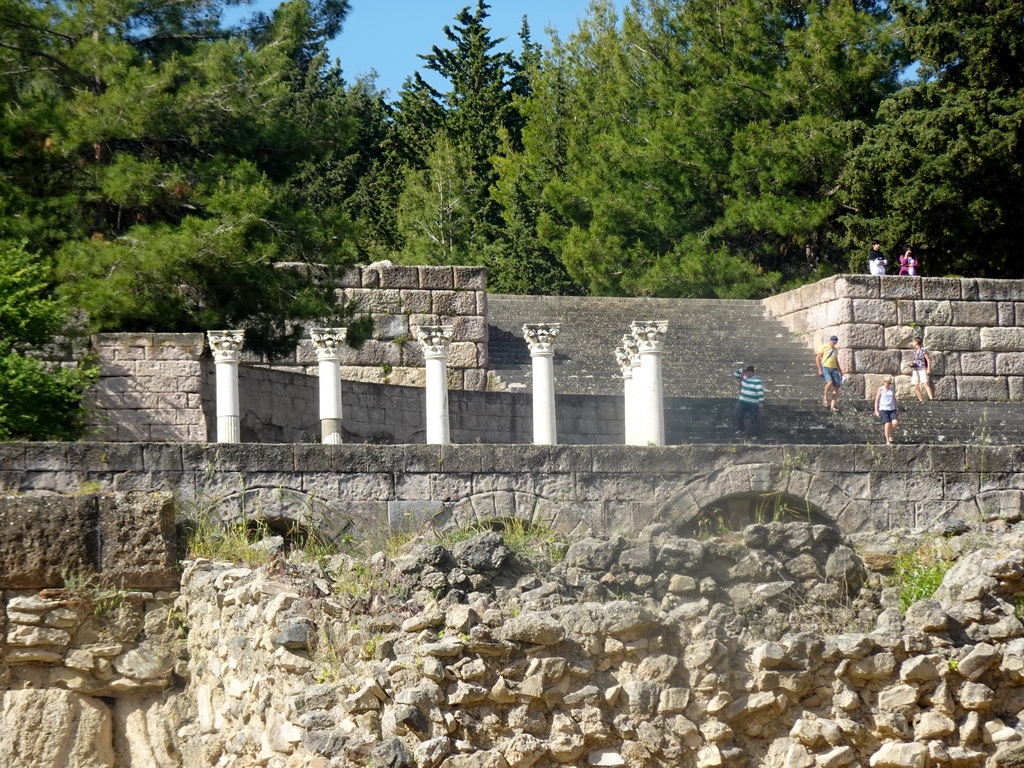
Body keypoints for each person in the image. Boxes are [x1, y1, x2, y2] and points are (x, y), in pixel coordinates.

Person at [732, 365, 765, 438]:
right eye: (747, 373)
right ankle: (741, 429)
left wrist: (760, 402)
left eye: (750, 373)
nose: (748, 375)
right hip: (743, 401)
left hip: (753, 403)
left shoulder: (757, 381)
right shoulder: (743, 377)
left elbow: (760, 392)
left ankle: (755, 434)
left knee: (754, 419)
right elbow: (735, 373)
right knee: (738, 416)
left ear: (753, 373)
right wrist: (743, 370)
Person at [816, 335, 843, 412]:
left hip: (834, 369)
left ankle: (833, 405)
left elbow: (836, 360)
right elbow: (818, 358)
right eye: (833, 342)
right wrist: (819, 369)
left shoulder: (835, 349)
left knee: (837, 387)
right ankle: (825, 397)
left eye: (835, 342)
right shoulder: (824, 347)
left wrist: (840, 371)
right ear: (830, 340)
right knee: (829, 382)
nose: (834, 344)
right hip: (826, 367)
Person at [874, 375, 900, 445]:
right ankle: (887, 440)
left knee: (895, 423)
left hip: (892, 408)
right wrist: (876, 410)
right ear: (884, 382)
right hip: (883, 409)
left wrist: (896, 408)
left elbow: (894, 399)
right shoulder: (881, 389)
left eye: (889, 383)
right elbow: (877, 400)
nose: (888, 384)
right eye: (887, 383)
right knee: (887, 424)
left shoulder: (891, 389)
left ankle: (888, 433)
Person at [910, 336, 935, 401]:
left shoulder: (923, 350)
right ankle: (920, 400)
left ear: (916, 342)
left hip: (922, 368)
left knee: (925, 383)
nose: (912, 343)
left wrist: (928, 368)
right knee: (916, 385)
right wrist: (912, 363)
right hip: (915, 369)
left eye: (914, 341)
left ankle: (931, 398)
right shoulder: (915, 351)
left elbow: (928, 359)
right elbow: (915, 359)